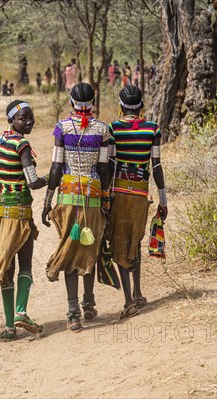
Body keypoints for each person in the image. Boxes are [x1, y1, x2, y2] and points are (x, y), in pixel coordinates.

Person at [42, 83, 112, 333]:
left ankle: (72, 312)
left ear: (71, 103)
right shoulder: (103, 130)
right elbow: (104, 169)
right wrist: (106, 199)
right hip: (93, 197)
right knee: (88, 247)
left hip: (68, 198)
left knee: (69, 249)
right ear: (92, 103)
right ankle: (89, 303)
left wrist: (47, 200)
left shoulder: (62, 128)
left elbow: (56, 167)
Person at [0, 100, 48, 340]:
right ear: (12, 120)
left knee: (7, 268)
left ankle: (9, 327)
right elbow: (32, 182)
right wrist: (51, 179)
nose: (29, 122)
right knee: (25, 264)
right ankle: (21, 311)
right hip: (19, 213)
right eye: (24, 118)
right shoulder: (22, 144)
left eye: (31, 117)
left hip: (0, 212)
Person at [107, 85, 168, 319]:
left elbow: (111, 164)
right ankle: (139, 292)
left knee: (120, 242)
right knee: (136, 240)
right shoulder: (153, 129)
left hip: (119, 192)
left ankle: (129, 301)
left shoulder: (113, 129)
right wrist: (163, 199)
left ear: (121, 106)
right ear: (141, 105)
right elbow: (157, 166)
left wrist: (107, 194)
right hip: (142, 193)